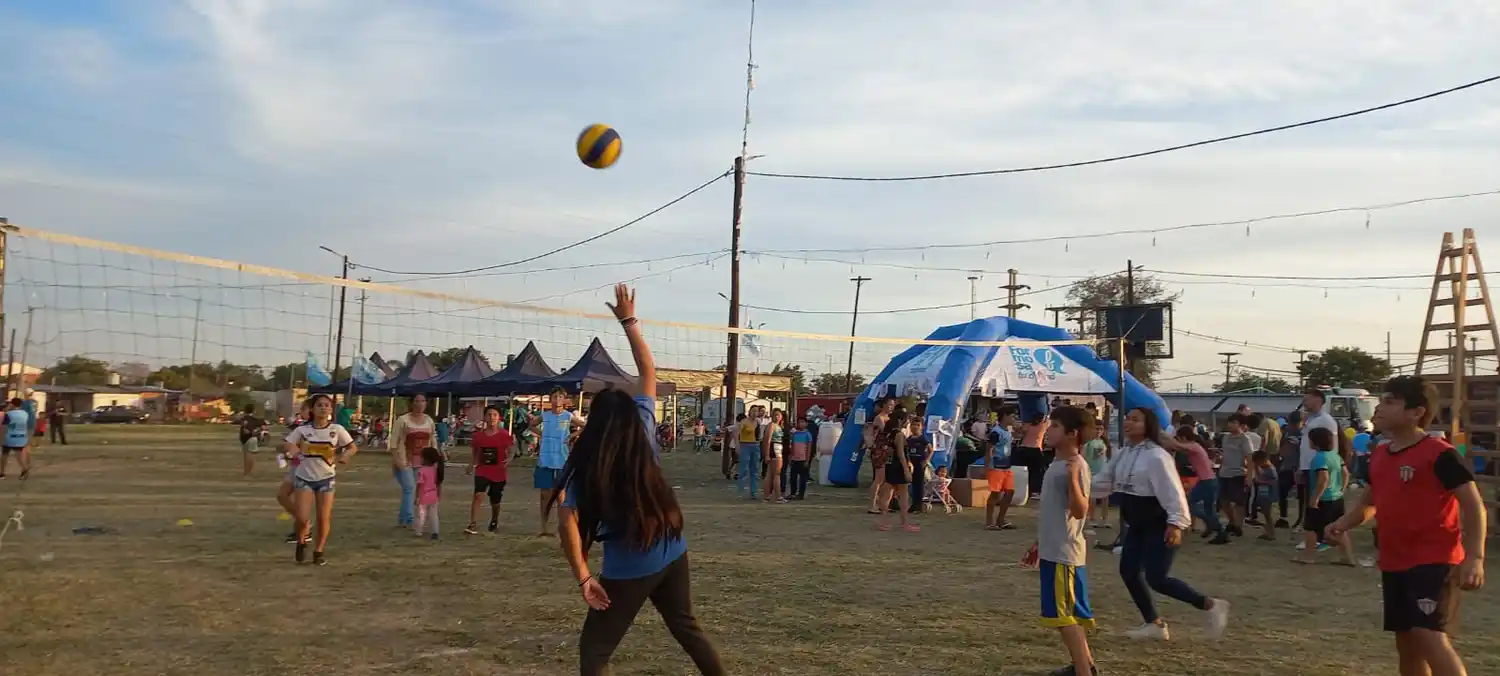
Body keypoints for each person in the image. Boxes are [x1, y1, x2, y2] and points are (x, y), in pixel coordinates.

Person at [550, 284, 726, 676]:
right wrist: (629, 321)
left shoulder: (587, 463)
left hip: (631, 566)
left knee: (595, 652)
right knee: (687, 629)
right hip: (672, 549)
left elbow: (567, 522)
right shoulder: (644, 428)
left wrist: (583, 578)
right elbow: (648, 371)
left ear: (593, 424)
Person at [1327, 376, 1486, 676]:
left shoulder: (1440, 453)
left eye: (1390, 401)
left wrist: (1475, 557)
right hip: (1394, 561)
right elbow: (1369, 505)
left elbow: (1473, 504)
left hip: (1434, 560)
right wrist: (1342, 524)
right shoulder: (1380, 455)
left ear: (1417, 412)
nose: (1380, 407)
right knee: (1408, 643)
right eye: (1382, 400)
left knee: (1429, 636)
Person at [1094, 407, 1229, 641]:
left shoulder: (1157, 456)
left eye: (1135, 420)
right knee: (1129, 571)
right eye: (1127, 418)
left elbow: (1173, 492)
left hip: (1160, 523)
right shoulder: (1124, 453)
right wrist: (1073, 485)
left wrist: (1176, 524)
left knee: (1157, 578)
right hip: (1136, 523)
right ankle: (1154, 624)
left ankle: (1210, 605)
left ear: (1149, 426)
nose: (1128, 422)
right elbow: (1104, 481)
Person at [1021, 406, 1096, 676]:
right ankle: (1084, 665)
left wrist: (1074, 478)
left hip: (1065, 555)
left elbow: (1079, 510)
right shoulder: (1057, 463)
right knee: (1068, 615)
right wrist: (1040, 543)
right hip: (1054, 550)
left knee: (1065, 618)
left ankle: (1083, 671)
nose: (1048, 430)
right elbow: (1056, 512)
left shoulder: (1074, 466)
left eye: (1054, 426)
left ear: (1072, 433)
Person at [282, 393, 358, 565]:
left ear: (331, 409)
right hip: (304, 478)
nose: (323, 408)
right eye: (319, 405)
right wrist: (293, 449)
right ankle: (302, 542)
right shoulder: (303, 430)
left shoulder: (337, 430)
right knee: (302, 518)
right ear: (313, 409)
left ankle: (319, 551)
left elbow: (352, 447)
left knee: (324, 517)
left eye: (327, 405)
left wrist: (346, 456)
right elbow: (288, 442)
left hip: (326, 479)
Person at [1298, 427, 1355, 565]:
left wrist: (1315, 498)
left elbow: (1323, 479)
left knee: (1310, 528)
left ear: (1315, 442)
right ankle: (1347, 557)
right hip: (1337, 497)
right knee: (1339, 528)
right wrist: (1341, 488)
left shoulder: (1319, 458)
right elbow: (1346, 473)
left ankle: (1308, 556)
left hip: (1323, 499)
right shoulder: (1336, 456)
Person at [531, 388, 580, 536]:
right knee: (545, 494)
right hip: (545, 459)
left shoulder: (568, 416)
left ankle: (564, 528)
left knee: (561, 497)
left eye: (560, 397)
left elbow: (585, 426)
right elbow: (532, 425)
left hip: (562, 460)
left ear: (564, 400)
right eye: (554, 397)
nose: (557, 400)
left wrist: (572, 435)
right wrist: (542, 434)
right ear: (550, 399)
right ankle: (544, 527)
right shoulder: (544, 415)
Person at [1297, 389, 1338, 549]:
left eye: (1307, 399)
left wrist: (1328, 467)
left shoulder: (1326, 420)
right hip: (1309, 466)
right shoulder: (1311, 419)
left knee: (1318, 503)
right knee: (1310, 502)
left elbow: (1331, 446)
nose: (1304, 403)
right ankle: (1315, 537)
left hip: (1319, 467)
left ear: (1318, 400)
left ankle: (1319, 539)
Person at [1211, 414, 1259, 545]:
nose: (1230, 425)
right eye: (1229, 422)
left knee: (1239, 502)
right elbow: (1225, 454)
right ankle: (1232, 522)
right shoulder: (1226, 437)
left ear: (1240, 424)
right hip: (1224, 472)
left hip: (1238, 473)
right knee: (1223, 500)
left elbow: (1250, 458)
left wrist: (1250, 475)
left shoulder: (1245, 439)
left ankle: (1238, 526)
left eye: (1233, 422)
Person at [389, 394, 435, 529]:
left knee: (416, 490)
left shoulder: (429, 421)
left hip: (423, 461)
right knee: (409, 487)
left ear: (426, 403)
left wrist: (435, 457)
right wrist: (398, 461)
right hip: (405, 460)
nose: (419, 404)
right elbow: (394, 442)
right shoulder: (403, 420)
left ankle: (406, 519)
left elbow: (432, 440)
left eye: (422, 401)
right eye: (416, 401)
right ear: (412, 403)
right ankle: (408, 519)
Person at [466, 405, 514, 535]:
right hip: (482, 469)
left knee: (495, 499)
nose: (491, 417)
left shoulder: (504, 435)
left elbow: (511, 451)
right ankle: (473, 523)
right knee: (478, 495)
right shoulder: (478, 436)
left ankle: (494, 520)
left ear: (499, 418)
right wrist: (471, 465)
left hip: (498, 471)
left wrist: (509, 459)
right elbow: (475, 452)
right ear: (484, 417)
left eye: (494, 415)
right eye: (489, 415)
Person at [874, 411, 917, 532]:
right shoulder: (899, 435)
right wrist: (906, 471)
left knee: (887, 495)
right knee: (903, 496)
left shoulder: (889, 434)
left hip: (890, 465)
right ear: (901, 420)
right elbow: (901, 454)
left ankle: (883, 522)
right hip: (898, 466)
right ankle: (905, 523)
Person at [1176, 426, 1218, 540]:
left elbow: (1178, 446)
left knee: (1189, 503)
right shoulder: (1196, 447)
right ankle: (1215, 529)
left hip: (1206, 481)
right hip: (1209, 480)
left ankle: (1214, 526)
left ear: (1183, 437)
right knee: (1208, 508)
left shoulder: (1193, 446)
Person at [986, 405, 1018, 531]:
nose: (1014, 418)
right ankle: (989, 522)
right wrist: (988, 466)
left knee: (1010, 492)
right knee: (995, 494)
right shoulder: (996, 431)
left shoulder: (1008, 430)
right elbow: (989, 448)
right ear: (1005, 416)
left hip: (1006, 465)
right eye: (1012, 416)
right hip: (996, 466)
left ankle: (1001, 519)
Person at [864, 397, 897, 513]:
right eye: (889, 405)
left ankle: (882, 503)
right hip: (879, 449)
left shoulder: (890, 418)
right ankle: (872, 505)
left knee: (885, 479)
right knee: (879, 478)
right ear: (883, 405)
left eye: (893, 405)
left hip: (888, 449)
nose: (891, 407)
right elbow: (887, 432)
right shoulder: (879, 418)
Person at [1274, 413, 1304, 529]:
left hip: (1299, 467)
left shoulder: (1304, 434)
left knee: (1302, 495)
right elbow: (1282, 449)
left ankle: (1301, 519)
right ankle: (1283, 518)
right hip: (1287, 466)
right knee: (1282, 491)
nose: (1293, 426)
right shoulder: (1287, 433)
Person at [1083, 423, 1110, 530]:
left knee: (1105, 497)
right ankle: (1092, 518)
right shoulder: (1088, 443)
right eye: (1096, 429)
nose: (1098, 431)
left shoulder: (1104, 443)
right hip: (1092, 472)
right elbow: (1084, 456)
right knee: (1092, 497)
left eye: (1100, 429)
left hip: (1103, 472)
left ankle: (1104, 519)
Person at [414, 446, 444, 540]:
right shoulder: (436, 470)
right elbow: (438, 484)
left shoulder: (422, 470)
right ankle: (435, 532)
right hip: (434, 495)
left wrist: (417, 497)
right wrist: (439, 495)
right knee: (434, 515)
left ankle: (419, 531)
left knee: (421, 515)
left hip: (424, 495)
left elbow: (419, 485)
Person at [905, 417, 933, 514]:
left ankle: (919, 505)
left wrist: (926, 461)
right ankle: (913, 504)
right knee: (911, 484)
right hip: (911, 464)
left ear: (921, 427)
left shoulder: (923, 438)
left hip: (920, 463)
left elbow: (931, 450)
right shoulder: (908, 439)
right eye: (913, 425)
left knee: (919, 484)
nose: (915, 427)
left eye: (918, 425)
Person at [1250, 450, 1278, 541]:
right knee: (1265, 514)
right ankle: (1267, 532)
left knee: (1268, 514)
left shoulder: (1270, 470)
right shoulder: (1265, 469)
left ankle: (1271, 533)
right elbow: (1259, 476)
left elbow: (1273, 482)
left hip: (1268, 495)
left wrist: (1261, 482)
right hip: (1263, 494)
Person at [1, 398, 32, 480]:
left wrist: (1, 437)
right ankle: (24, 469)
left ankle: (2, 473)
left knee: (4, 454)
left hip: (10, 437)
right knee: (18, 454)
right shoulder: (25, 414)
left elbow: (5, 427)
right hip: (21, 436)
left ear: (12, 404)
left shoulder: (8, 414)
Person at [762, 409, 786, 503]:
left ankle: (767, 496)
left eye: (778, 415)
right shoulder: (771, 425)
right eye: (775, 415)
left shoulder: (778, 426)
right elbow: (767, 440)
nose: (777, 417)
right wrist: (767, 454)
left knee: (771, 474)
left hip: (777, 448)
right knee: (776, 474)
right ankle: (778, 496)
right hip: (775, 449)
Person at [787, 418, 813, 501]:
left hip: (803, 459)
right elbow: (792, 446)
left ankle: (801, 494)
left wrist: (807, 460)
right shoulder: (795, 434)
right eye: (799, 422)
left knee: (803, 478)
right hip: (795, 459)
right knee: (793, 477)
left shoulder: (808, 434)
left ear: (806, 424)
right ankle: (792, 493)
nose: (801, 424)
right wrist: (791, 456)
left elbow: (809, 448)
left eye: (803, 422)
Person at [734, 413, 759, 499]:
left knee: (754, 471)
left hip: (755, 445)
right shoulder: (744, 422)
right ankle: (740, 492)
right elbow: (736, 433)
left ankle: (754, 492)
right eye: (753, 410)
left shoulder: (758, 422)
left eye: (757, 411)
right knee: (743, 470)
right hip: (745, 445)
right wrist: (737, 445)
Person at [238, 404, 267, 476]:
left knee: (247, 456)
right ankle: (250, 471)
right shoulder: (255, 419)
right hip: (253, 438)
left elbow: (242, 426)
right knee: (252, 455)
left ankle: (246, 472)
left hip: (245, 439)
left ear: (245, 410)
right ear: (253, 411)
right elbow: (263, 426)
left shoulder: (243, 419)